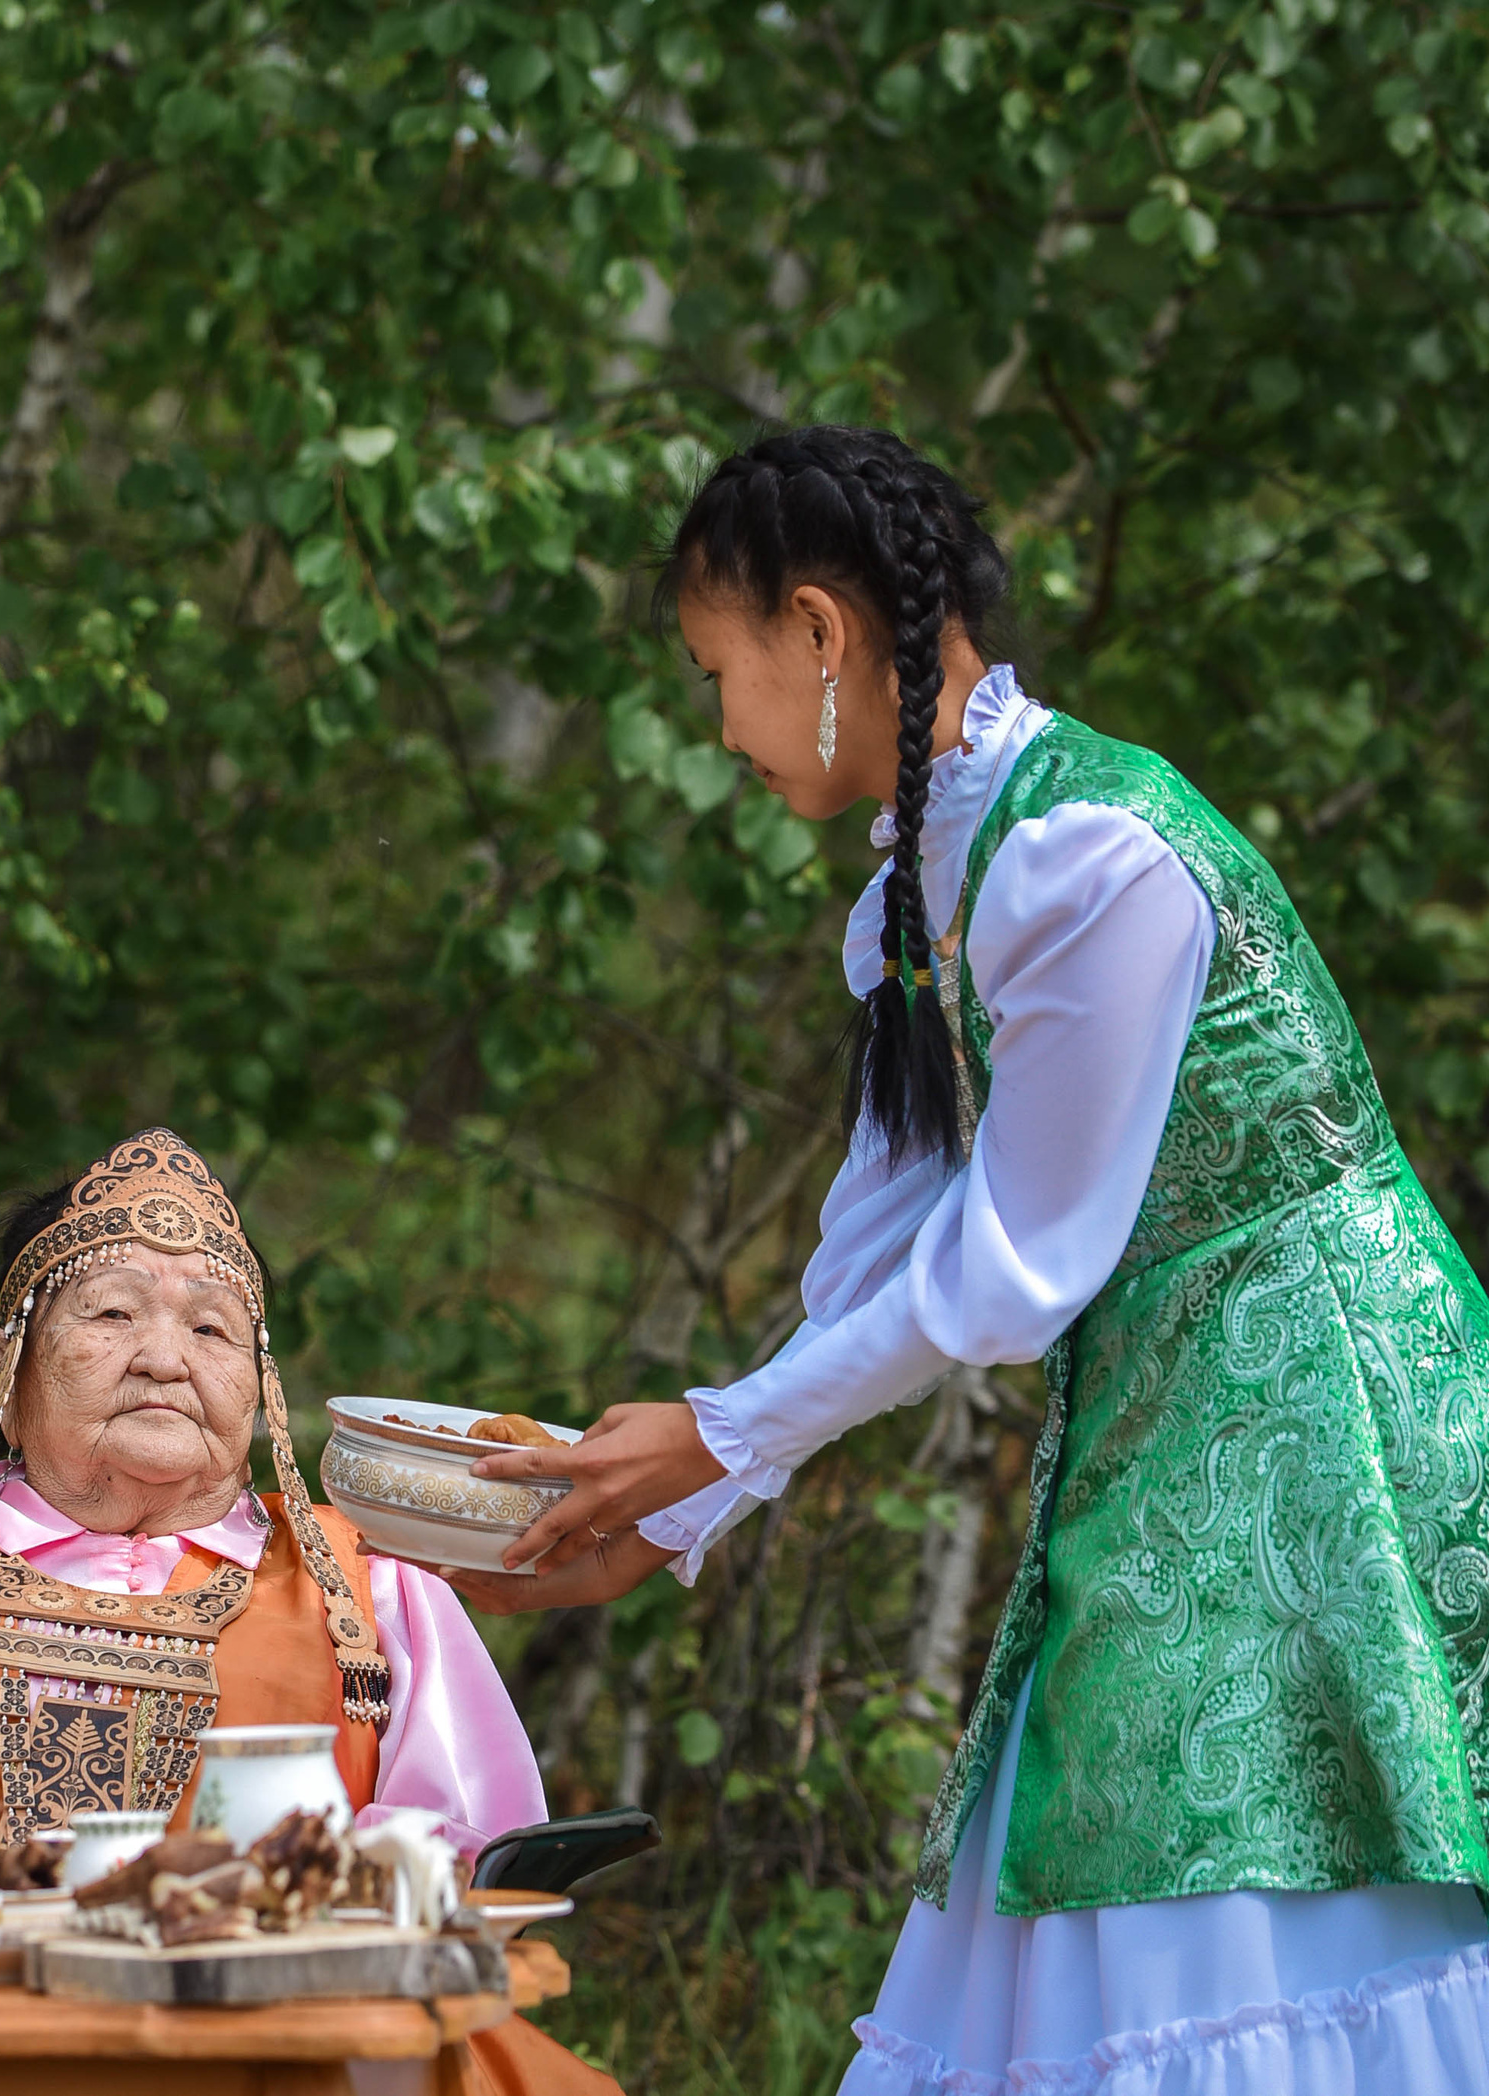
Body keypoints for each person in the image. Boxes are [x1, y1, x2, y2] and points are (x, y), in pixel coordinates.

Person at [427, 426, 1489, 2092]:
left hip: (1318, 1401)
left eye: (720, 670)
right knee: (1126, 1814)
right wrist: (679, 1501)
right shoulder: (938, 879)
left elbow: (1015, 1269)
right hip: (1178, 1397)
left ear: (819, 635)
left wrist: (721, 1434)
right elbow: (890, 1236)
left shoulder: (1091, 858)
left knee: (1206, 1836)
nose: (720, 725)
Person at [0, 1128, 613, 2096]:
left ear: (260, 1386)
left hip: (267, 2043)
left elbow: (472, 1848)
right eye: (112, 1314)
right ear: (6, 1361)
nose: (164, 1358)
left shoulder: (369, 1578)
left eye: (212, 1327)